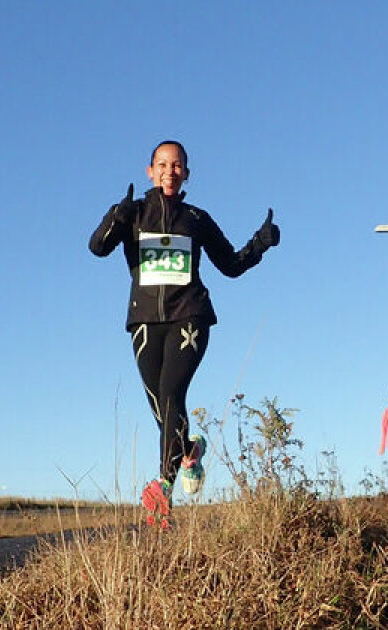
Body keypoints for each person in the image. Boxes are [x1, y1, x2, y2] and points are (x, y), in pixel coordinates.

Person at [89, 140, 280, 527]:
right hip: (144, 322)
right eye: (162, 164)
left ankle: (163, 485)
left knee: (173, 393)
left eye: (177, 165)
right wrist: (115, 215)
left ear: (187, 173)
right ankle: (190, 448)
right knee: (162, 407)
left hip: (189, 316)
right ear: (149, 170)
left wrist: (260, 244)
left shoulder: (196, 218)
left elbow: (230, 264)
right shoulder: (135, 214)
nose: (169, 171)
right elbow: (97, 247)